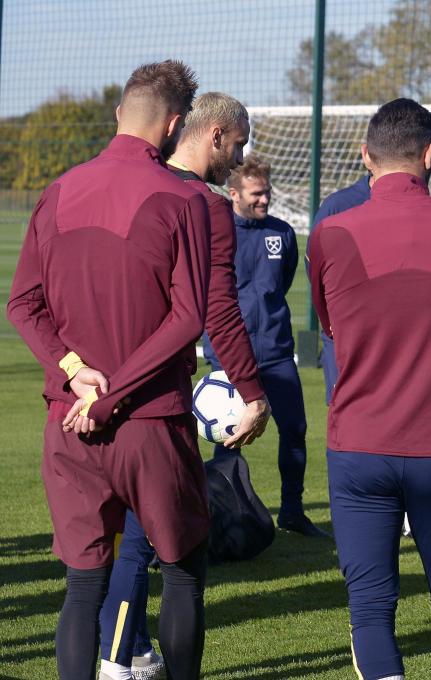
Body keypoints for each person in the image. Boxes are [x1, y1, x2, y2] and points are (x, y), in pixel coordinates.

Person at [7, 60, 212, 680]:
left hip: (69, 423)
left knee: (83, 585)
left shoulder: (58, 191)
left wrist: (75, 373)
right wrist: (111, 392)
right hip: (149, 422)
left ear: (121, 112)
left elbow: (22, 304)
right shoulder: (185, 199)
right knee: (180, 568)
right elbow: (187, 318)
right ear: (176, 125)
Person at [308, 97, 431, 680]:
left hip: (358, 445)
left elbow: (331, 328)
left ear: (366, 156)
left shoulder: (330, 233)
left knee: (370, 608)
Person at [96, 90, 271, 680]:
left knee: (116, 544)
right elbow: (218, 311)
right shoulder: (203, 203)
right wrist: (251, 389)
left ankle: (125, 655)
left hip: (96, 391)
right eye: (239, 143)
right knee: (157, 545)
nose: (239, 157)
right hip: (156, 400)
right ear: (215, 133)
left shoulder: (124, 185)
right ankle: (120, 661)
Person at [205, 156, 327, 537]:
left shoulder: (283, 233)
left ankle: (292, 511)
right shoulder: (217, 232)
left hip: (275, 353)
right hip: (229, 357)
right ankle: (223, 516)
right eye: (256, 194)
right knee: (230, 436)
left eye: (267, 193)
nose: (264, 200)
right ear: (234, 193)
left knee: (294, 429)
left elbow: (282, 282)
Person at [311, 171, 371, 405]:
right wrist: (333, 316)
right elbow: (314, 264)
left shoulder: (414, 206)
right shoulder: (338, 205)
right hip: (342, 334)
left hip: (389, 337)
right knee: (345, 412)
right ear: (367, 156)